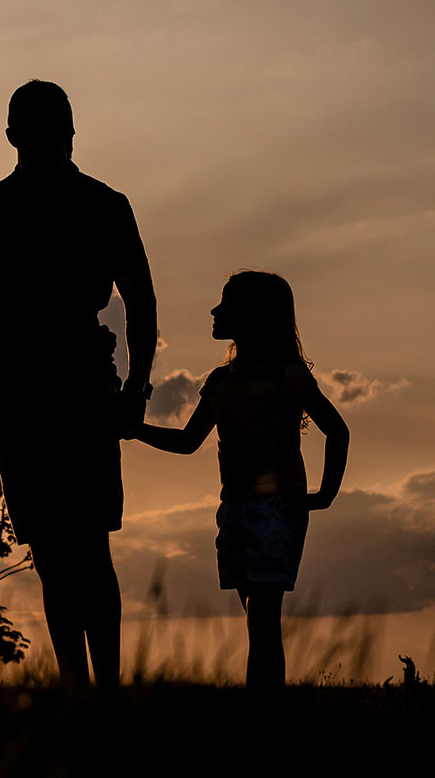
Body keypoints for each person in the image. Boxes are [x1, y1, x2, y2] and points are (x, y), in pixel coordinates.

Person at [0, 80, 157, 688]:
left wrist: (135, 390)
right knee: (53, 549)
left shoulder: (104, 203)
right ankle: (84, 688)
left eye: (53, 125)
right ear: (13, 136)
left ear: (70, 131)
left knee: (85, 545)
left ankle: (101, 687)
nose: (48, 137)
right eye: (37, 126)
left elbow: (141, 301)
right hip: (26, 385)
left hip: (76, 384)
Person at [128, 270, 350, 689]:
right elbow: (187, 441)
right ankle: (265, 710)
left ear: (258, 314)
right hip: (233, 509)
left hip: (276, 509)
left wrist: (324, 496)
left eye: (227, 303)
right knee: (257, 619)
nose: (215, 311)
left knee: (263, 621)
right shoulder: (219, 381)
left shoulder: (287, 374)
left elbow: (337, 431)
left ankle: (261, 712)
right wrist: (135, 430)